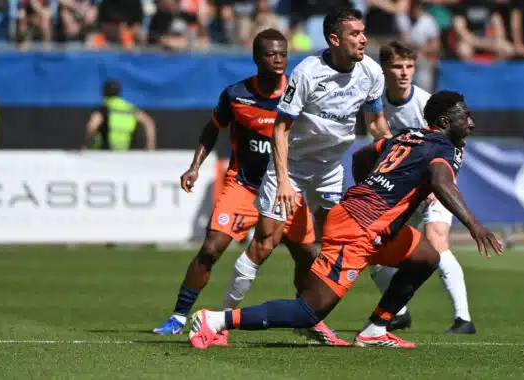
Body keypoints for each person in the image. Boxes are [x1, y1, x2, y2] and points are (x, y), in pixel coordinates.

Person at [188, 90, 504, 349]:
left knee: (426, 256)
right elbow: (440, 181)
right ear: (446, 121)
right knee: (308, 311)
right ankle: (216, 320)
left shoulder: (409, 138)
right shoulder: (442, 148)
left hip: (367, 221)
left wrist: (370, 189)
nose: (471, 124)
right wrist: (474, 225)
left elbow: (362, 156)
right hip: (359, 229)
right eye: (466, 117)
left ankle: (375, 330)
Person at [218, 7, 392, 346]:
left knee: (336, 245)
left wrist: (389, 158)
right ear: (334, 39)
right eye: (355, 33)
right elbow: (281, 128)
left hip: (330, 169)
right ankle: (220, 321)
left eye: (363, 32)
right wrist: (283, 180)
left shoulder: (371, 71)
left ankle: (312, 319)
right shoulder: (308, 73)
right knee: (265, 243)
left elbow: (375, 124)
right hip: (292, 167)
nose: (364, 39)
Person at [151, 29, 316, 342]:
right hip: (245, 186)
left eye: (283, 53)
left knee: (307, 254)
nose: (279, 59)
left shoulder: (298, 93)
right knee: (211, 249)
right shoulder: (236, 95)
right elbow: (212, 129)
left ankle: (305, 317)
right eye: (271, 53)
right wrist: (195, 166)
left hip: (284, 187)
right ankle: (178, 315)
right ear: (256, 58)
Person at [370, 40, 476, 334]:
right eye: (397, 66)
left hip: (433, 188)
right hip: (402, 192)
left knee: (437, 240)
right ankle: (398, 312)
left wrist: (439, 184)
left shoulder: (426, 105)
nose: (404, 73)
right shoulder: (375, 103)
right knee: (374, 251)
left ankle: (463, 318)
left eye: (409, 66)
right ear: (384, 69)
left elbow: (455, 146)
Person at [82, 80, 157, 151]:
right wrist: (150, 146)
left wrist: (85, 145)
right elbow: (149, 123)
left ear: (103, 93)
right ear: (119, 92)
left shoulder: (104, 109)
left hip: (105, 153)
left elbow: (91, 126)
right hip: (126, 152)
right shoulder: (130, 109)